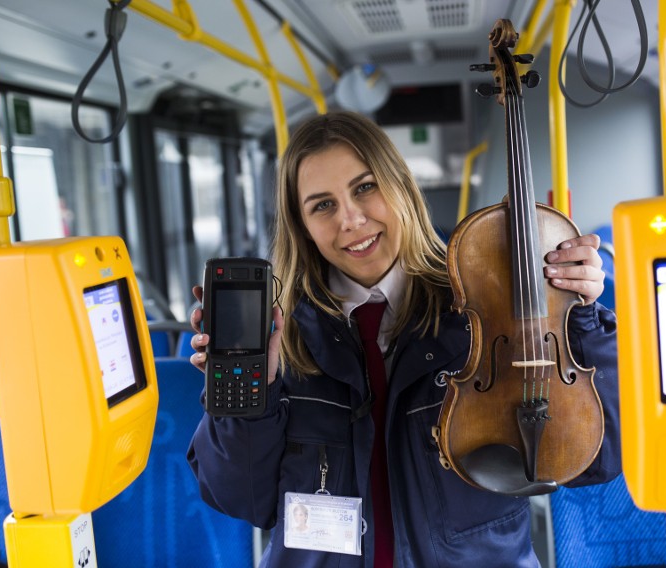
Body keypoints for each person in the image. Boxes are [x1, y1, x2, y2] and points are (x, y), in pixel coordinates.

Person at [187, 111, 621, 568]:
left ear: (399, 185)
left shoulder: (485, 308)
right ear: (303, 226)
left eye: (364, 187)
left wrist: (580, 323)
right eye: (322, 205)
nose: (351, 220)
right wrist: (252, 397)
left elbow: (597, 460)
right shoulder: (281, 337)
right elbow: (240, 499)